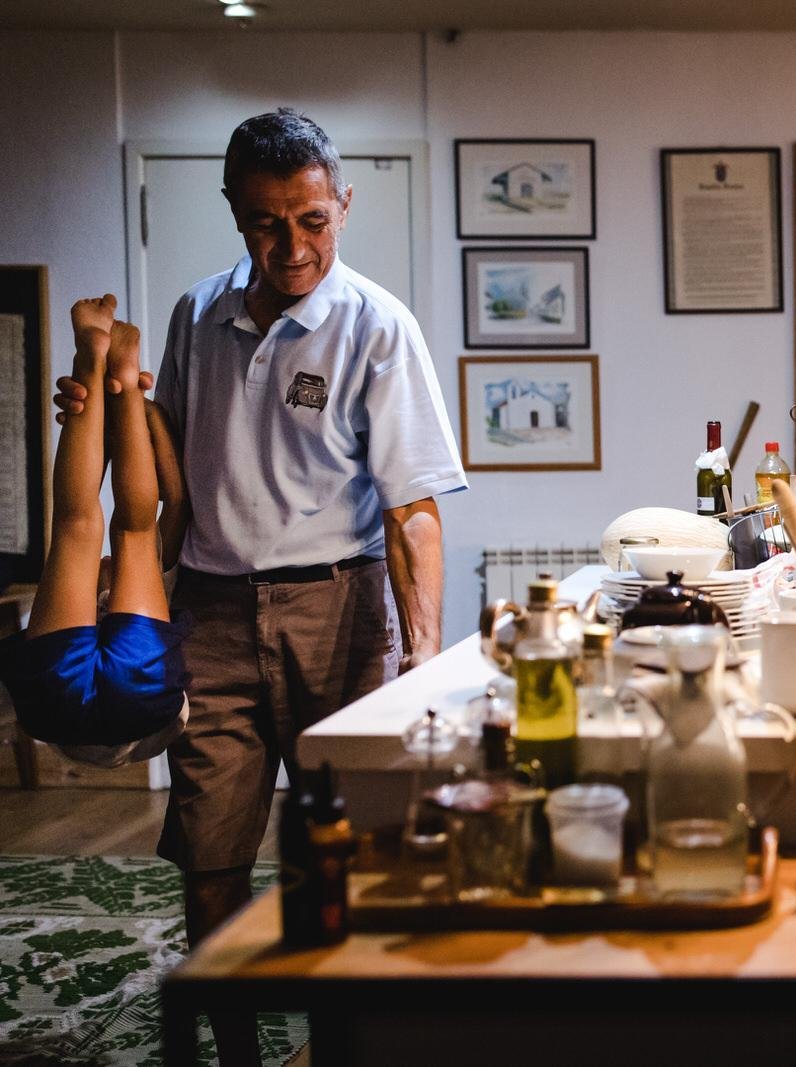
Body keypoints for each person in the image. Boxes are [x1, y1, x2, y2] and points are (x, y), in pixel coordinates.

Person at [55, 109, 466, 1064]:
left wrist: (423, 656)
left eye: (312, 220)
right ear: (235, 212)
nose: (293, 247)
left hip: (339, 611)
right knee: (209, 859)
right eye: (267, 223)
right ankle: (235, 1050)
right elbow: (173, 463)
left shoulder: (377, 325)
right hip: (213, 615)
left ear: (344, 204)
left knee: (339, 855)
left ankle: (339, 1045)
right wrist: (109, 408)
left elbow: (412, 511)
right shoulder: (197, 313)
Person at [1, 295, 188, 767]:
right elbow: (171, 501)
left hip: (142, 695)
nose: (105, 562)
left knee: (120, 531)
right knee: (79, 525)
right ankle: (98, 361)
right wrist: (129, 403)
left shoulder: (151, 580)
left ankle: (109, 363)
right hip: (65, 703)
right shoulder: (163, 571)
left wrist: (123, 399)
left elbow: (146, 513)